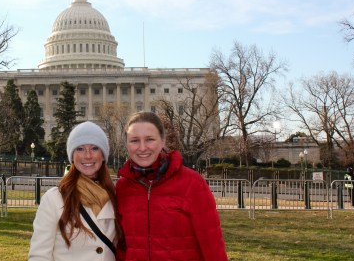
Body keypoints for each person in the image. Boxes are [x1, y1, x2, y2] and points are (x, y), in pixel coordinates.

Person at [115, 111, 227, 261]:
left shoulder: (192, 183)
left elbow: (213, 246)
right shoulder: (122, 188)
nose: (142, 148)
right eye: (134, 140)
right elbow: (121, 247)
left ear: (162, 141)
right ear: (127, 144)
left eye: (149, 139)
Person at [28, 121, 121, 261]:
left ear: (103, 155)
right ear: (72, 156)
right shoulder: (54, 199)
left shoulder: (115, 196)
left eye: (95, 148)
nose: (88, 155)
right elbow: (39, 256)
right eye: (80, 149)